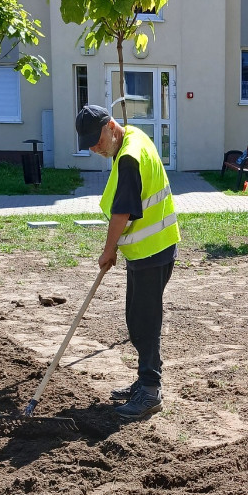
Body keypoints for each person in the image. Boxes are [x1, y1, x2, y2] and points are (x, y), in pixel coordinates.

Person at [75, 104, 180, 421]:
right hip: (152, 248)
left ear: (110, 127)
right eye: (89, 145)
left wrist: (108, 251)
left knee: (144, 321)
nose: (95, 148)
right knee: (138, 318)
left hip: (151, 251)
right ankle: (144, 381)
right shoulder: (134, 137)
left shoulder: (130, 157)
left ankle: (150, 391)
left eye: (97, 140)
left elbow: (122, 212)